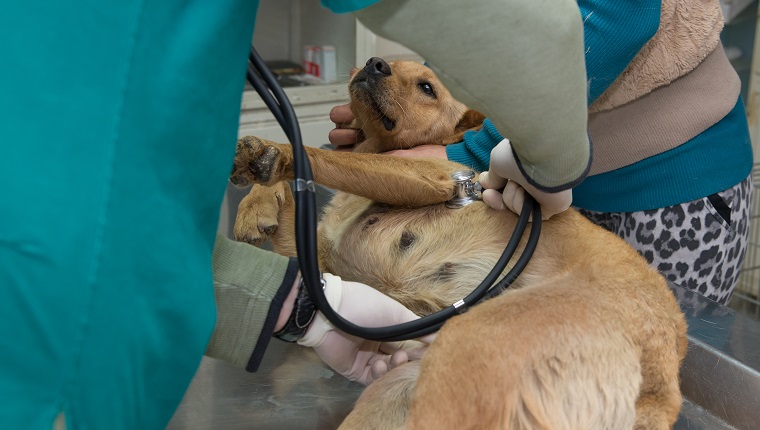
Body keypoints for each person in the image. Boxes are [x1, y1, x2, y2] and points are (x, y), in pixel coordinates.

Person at [2, 0, 592, 429]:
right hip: (63, 327)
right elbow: (533, 30)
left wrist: (303, 309)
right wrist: (554, 159)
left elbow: (133, 248)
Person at [331, 0, 754, 306]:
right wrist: (403, 109)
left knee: (641, 370)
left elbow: (621, 14)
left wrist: (478, 149)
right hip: (548, 188)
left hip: (671, 192)